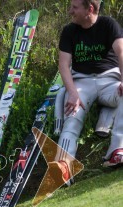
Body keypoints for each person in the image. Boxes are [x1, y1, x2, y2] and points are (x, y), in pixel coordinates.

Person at [50, 0, 123, 183]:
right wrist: (72, 93)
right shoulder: (69, 31)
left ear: (89, 9)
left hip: (109, 80)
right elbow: (64, 65)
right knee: (72, 115)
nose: (70, 11)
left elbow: (121, 52)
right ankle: (64, 166)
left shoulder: (109, 24)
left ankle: (117, 150)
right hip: (81, 82)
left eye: (74, 7)